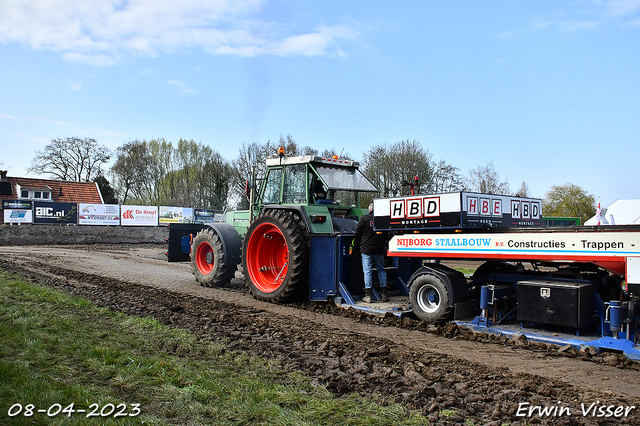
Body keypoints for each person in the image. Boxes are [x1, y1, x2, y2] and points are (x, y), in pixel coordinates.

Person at [354, 203, 388, 303]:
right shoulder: (381, 220)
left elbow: (358, 233)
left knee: (367, 271)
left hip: (366, 249)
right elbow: (386, 234)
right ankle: (384, 295)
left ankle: (368, 296)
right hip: (378, 249)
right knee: (381, 271)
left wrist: (357, 244)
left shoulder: (364, 218)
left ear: (369, 210)